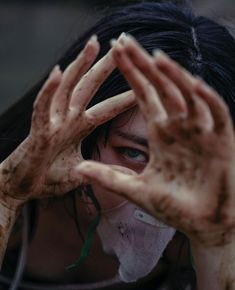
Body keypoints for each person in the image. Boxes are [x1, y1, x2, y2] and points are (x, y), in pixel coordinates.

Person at [0, 1, 235, 289]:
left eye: (189, 163)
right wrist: (6, 197)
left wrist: (215, 245)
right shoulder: (15, 193)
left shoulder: (214, 229)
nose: (156, 186)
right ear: (78, 137)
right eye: (134, 153)